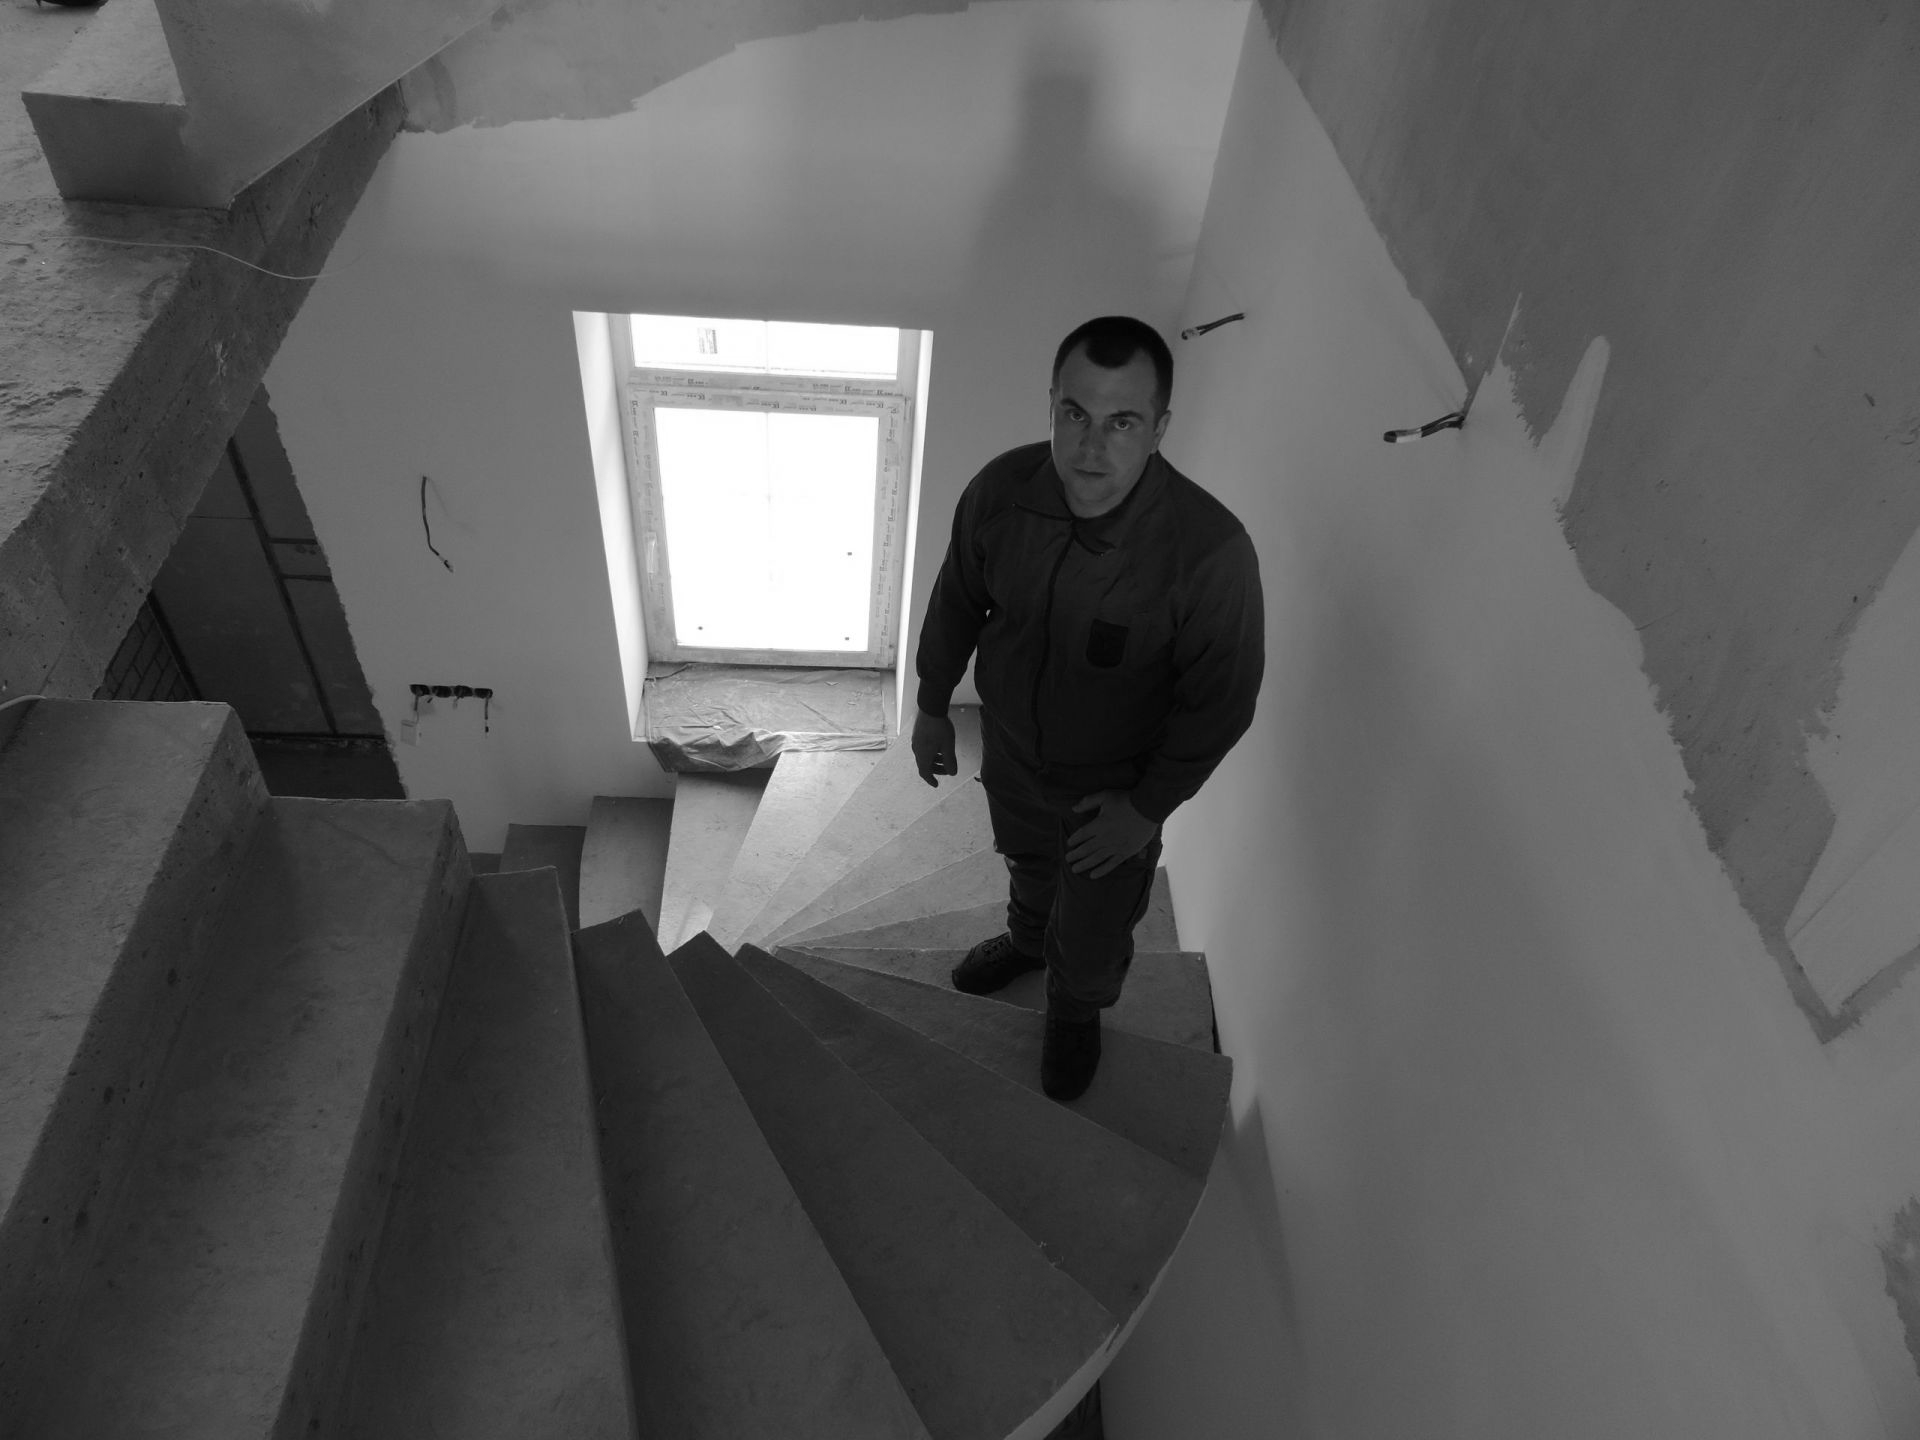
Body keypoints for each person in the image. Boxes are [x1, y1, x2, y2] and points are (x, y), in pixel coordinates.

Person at [911, 315, 1264, 1101]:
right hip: (1012, 750)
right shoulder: (1001, 493)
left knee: (1098, 922)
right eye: (1075, 413)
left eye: (1122, 422)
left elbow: (1222, 701)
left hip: (1113, 788)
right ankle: (1027, 942)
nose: (1091, 446)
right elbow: (957, 600)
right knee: (1027, 861)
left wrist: (1147, 807)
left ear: (1160, 427)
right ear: (1051, 404)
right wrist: (933, 704)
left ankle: (1074, 1011)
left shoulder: (1208, 553)